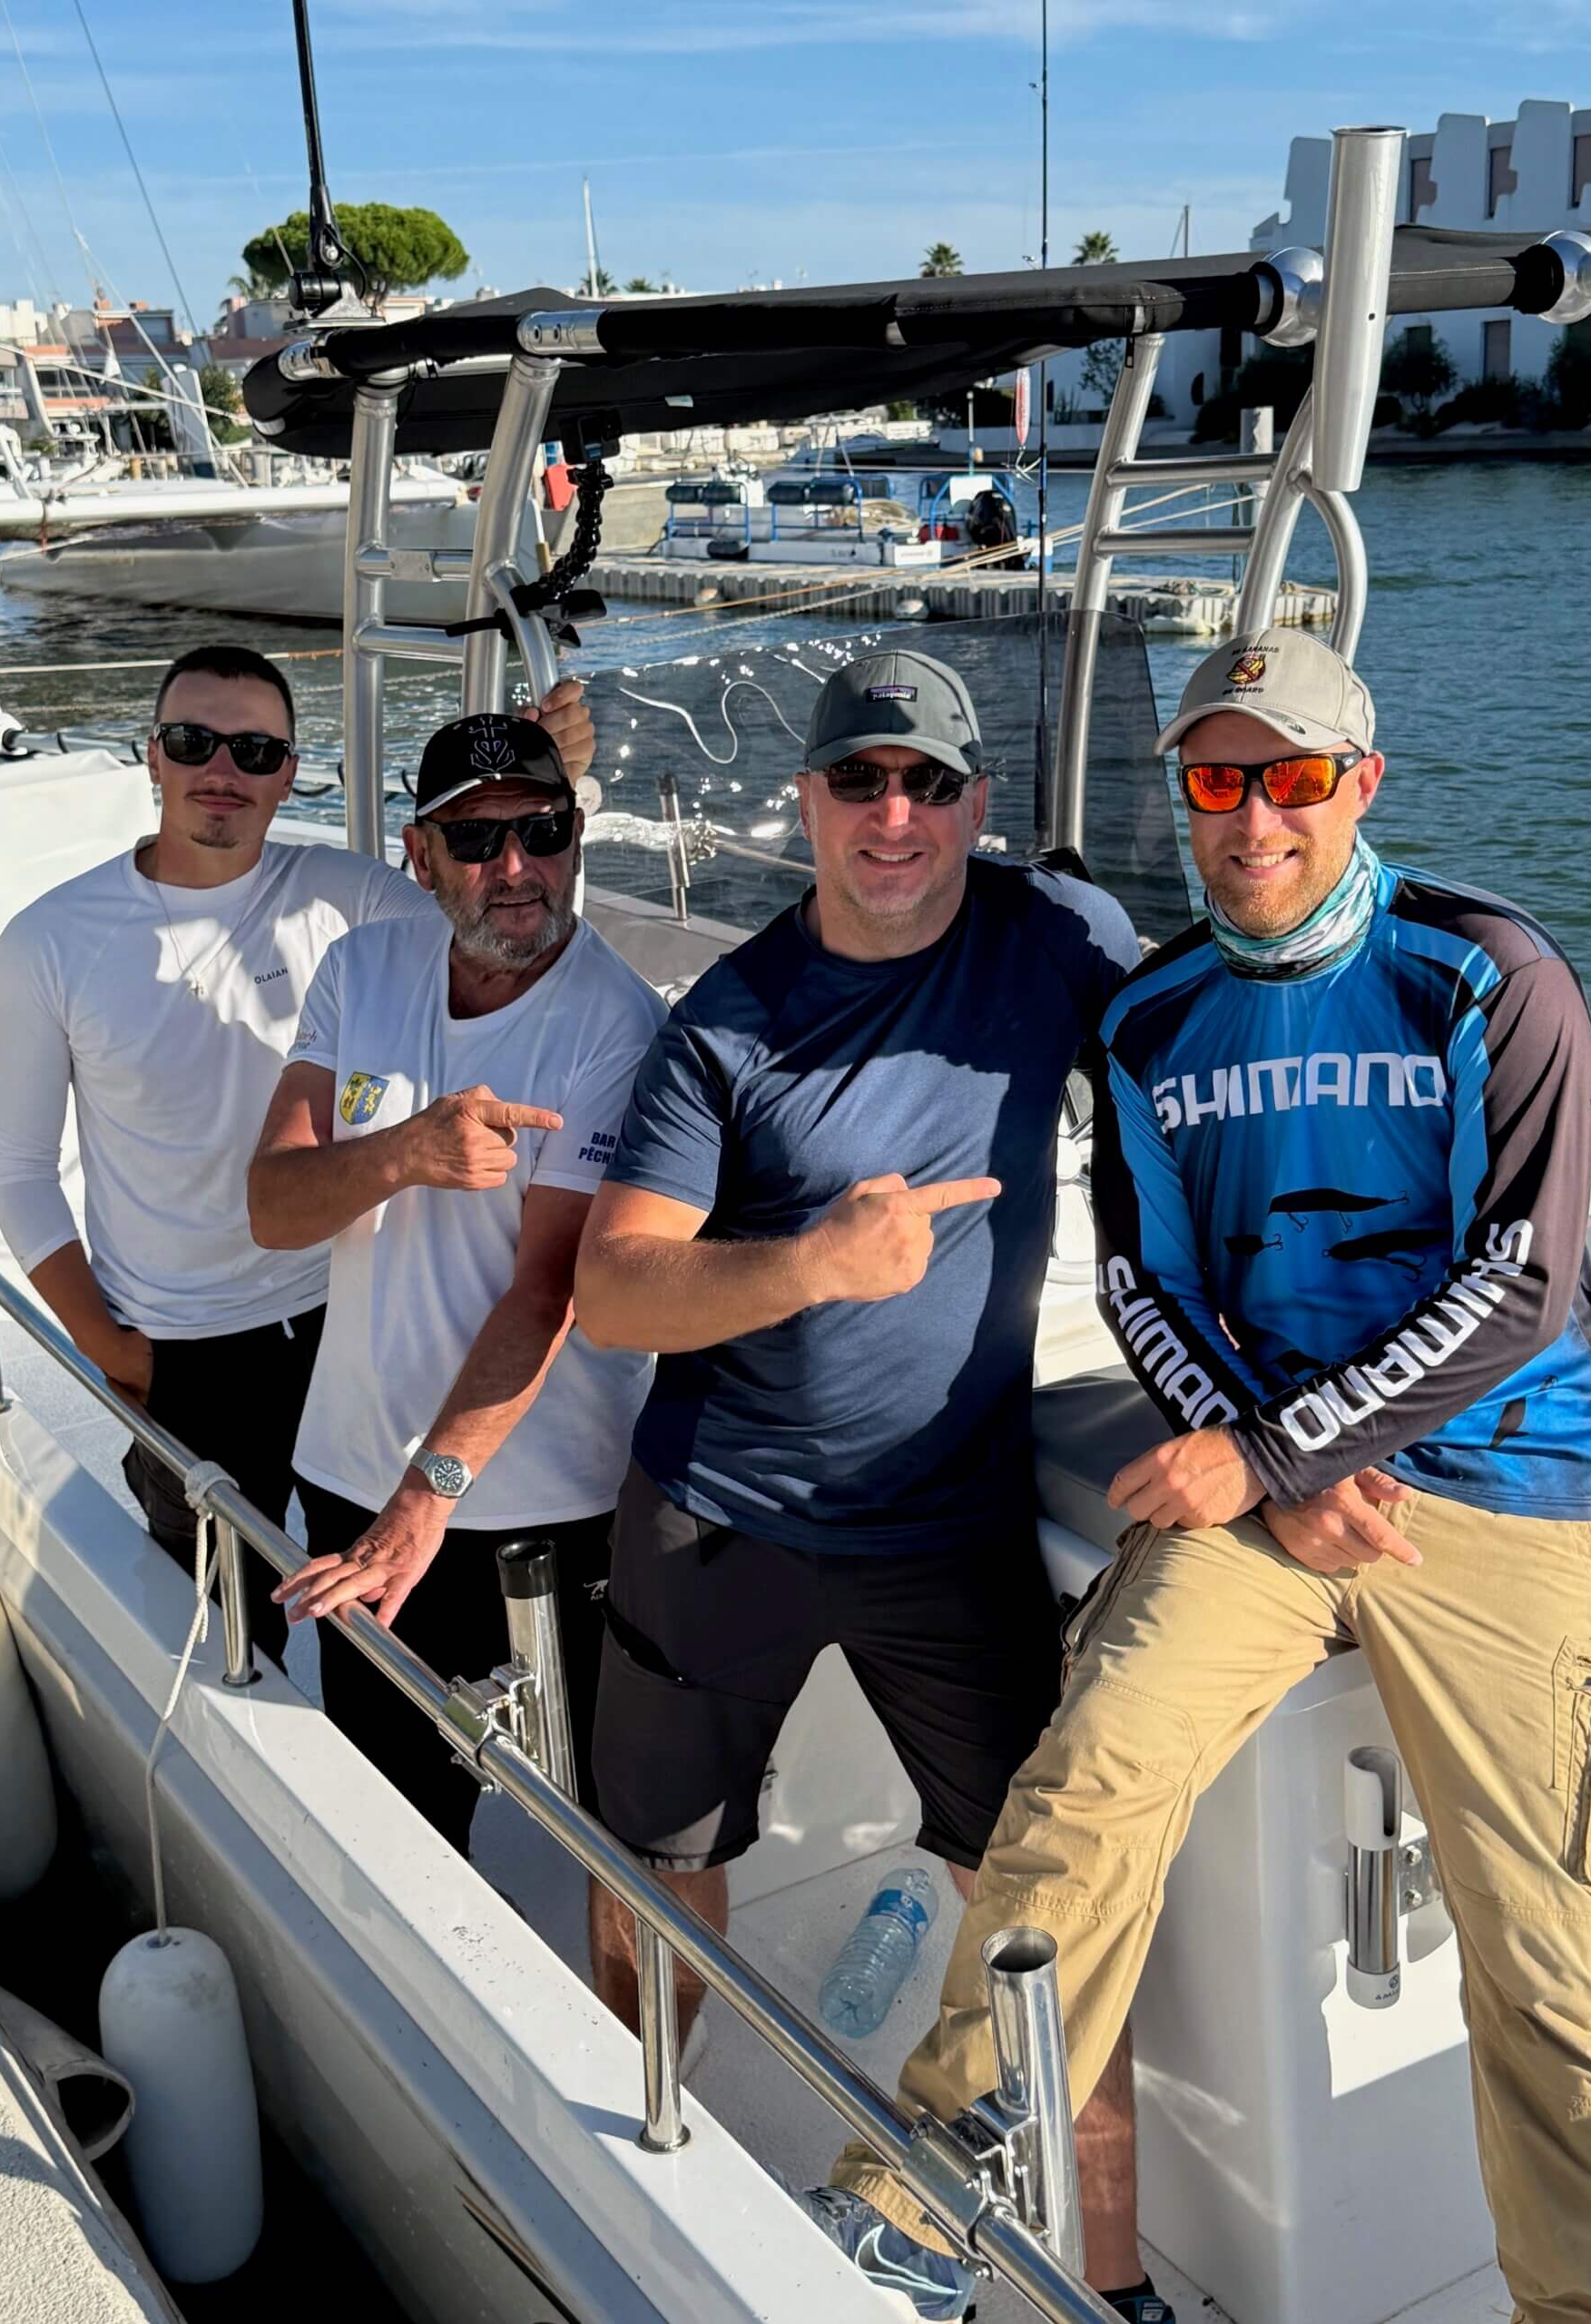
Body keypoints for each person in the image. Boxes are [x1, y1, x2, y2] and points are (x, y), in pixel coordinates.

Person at [815, 627, 1591, 2324]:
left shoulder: (1489, 975)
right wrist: (1271, 1472)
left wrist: (1283, 1450)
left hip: (1505, 1484)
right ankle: (925, 2190)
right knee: (1088, 1781)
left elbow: (1516, 1283)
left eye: (1294, 778)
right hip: (1275, 1485)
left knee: (1552, 1958)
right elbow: (1152, 1285)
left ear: (1363, 785)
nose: (1254, 818)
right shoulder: (1152, 1017)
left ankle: (1586, 2311)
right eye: (1218, 780)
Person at [574, 649, 1170, 2319]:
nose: (892, 816)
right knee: (658, 1876)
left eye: (927, 784)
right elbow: (614, 1289)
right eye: (859, 780)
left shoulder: (1058, 939)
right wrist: (813, 1265)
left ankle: (1111, 2284)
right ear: (808, 801)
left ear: (976, 808)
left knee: (1044, 1921)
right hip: (719, 1514)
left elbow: (1211, 1067)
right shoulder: (728, 1022)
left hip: (950, 1529)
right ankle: (641, 2178)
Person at [0, 644, 594, 1669]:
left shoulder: (346, 896)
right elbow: (15, 1167)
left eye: (257, 751)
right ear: (151, 755)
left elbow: (502, 904)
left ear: (290, 773)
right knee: (220, 1638)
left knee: (376, 1602)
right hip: (179, 1347)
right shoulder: (52, 939)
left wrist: (545, 782)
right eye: (194, 742)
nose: (223, 770)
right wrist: (109, 1348)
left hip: (349, 1318)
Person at [248, 712, 664, 1850]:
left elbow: (550, 1291)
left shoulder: (619, 1024)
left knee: (602, 1832)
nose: (516, 867)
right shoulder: (360, 970)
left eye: (543, 830)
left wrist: (426, 1495)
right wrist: (404, 1152)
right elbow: (274, 1207)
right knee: (396, 1827)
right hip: (354, 1478)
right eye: (476, 840)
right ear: (420, 855)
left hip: (546, 1506)